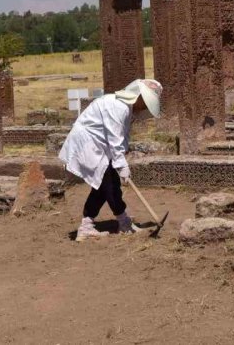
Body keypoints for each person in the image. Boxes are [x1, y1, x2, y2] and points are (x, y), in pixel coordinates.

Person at [59, 79, 163, 240]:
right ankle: (123, 222)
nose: (145, 108)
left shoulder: (125, 109)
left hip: (98, 147)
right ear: (140, 97)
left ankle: (88, 225)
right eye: (146, 103)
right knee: (111, 184)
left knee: (103, 186)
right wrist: (121, 166)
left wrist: (122, 159)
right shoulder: (118, 107)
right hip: (89, 145)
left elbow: (122, 137)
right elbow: (115, 140)